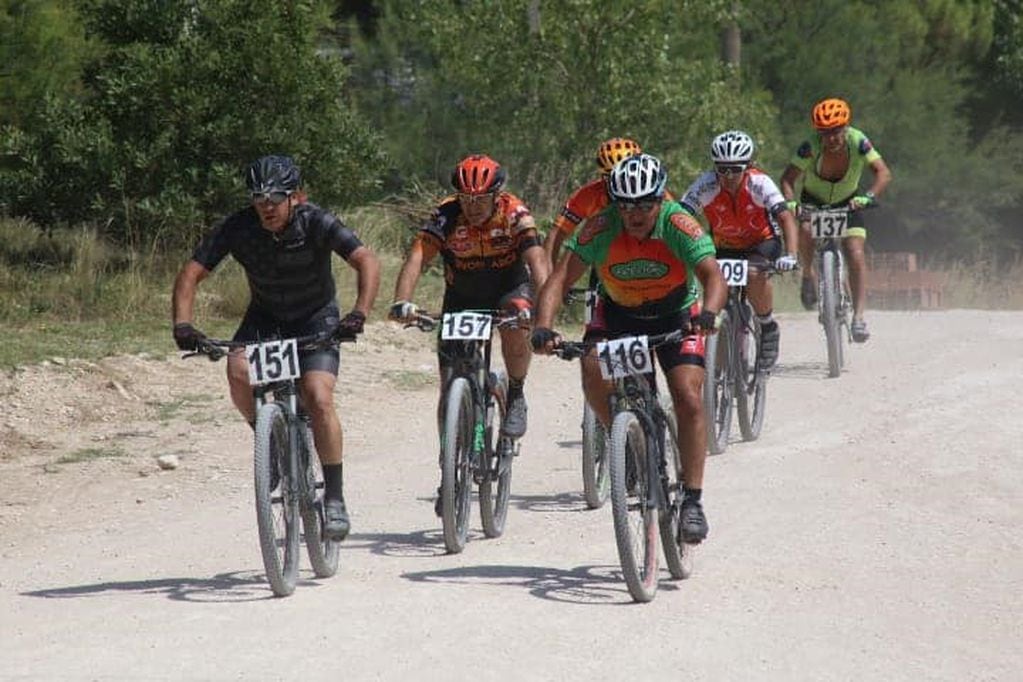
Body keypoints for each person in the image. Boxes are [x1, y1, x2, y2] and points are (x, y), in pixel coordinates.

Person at [171, 155, 380, 541]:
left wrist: (358, 314)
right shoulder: (239, 226)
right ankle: (268, 441)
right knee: (237, 371)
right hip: (266, 318)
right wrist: (182, 323)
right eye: (258, 198)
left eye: (274, 198)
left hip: (316, 317)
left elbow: (365, 259)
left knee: (318, 397)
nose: (265, 207)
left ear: (296, 197)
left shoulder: (316, 221)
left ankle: (334, 498)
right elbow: (191, 272)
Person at [532, 153, 727, 543]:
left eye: (644, 204)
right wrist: (543, 327)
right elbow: (559, 278)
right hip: (619, 314)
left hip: (677, 313)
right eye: (626, 205)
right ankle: (627, 441)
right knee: (591, 369)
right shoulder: (600, 227)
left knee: (688, 396)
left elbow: (713, 276)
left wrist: (708, 312)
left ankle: (692, 499)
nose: (635, 213)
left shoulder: (677, 223)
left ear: (660, 199)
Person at [389, 154, 548, 512]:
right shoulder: (446, 216)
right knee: (449, 389)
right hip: (462, 295)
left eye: (480, 200)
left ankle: (517, 392)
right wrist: (402, 301)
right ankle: (449, 471)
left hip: (510, 288)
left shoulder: (514, 212)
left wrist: (544, 314)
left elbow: (538, 261)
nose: (473, 207)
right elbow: (418, 256)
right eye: (466, 199)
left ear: (497, 195)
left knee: (516, 320)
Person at [680, 130, 800, 369]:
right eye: (721, 168)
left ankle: (767, 325)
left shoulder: (760, 182)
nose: (728, 175)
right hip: (725, 247)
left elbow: (785, 217)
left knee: (755, 275)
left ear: (748, 166)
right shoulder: (706, 185)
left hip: (761, 243)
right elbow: (680, 217)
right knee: (714, 284)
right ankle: (721, 358)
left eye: (735, 168)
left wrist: (792, 255)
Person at [780, 97, 892, 342]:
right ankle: (808, 275)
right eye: (824, 133)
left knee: (855, 252)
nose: (831, 138)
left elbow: (883, 172)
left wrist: (868, 196)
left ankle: (859, 317)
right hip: (814, 199)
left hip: (849, 201)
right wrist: (791, 204)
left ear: (846, 127)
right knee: (807, 231)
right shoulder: (810, 147)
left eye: (836, 131)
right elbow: (787, 179)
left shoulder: (858, 141)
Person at [543, 137, 643, 267]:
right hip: (608, 262)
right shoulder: (589, 195)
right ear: (603, 176)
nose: (623, 184)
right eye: (614, 177)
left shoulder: (658, 195)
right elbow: (555, 236)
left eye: (629, 177)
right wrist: (546, 282)